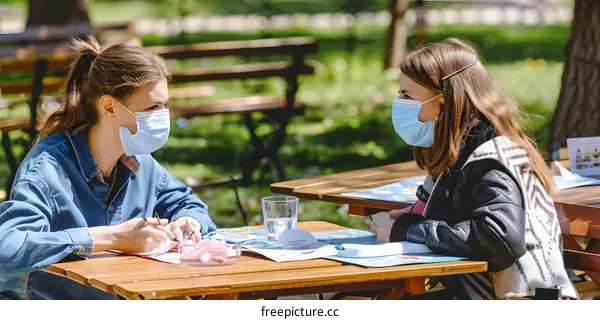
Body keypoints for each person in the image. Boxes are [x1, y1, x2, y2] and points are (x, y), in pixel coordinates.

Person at [0, 36, 216, 300]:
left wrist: (187, 222)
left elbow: (188, 204)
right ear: (110, 106)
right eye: (152, 108)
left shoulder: (140, 160)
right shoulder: (47, 169)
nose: (162, 116)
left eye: (164, 106)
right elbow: (7, 249)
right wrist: (111, 238)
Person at [371, 38, 577, 300]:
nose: (399, 103)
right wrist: (411, 216)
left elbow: (499, 238)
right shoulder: (463, 149)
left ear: (444, 102)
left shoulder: (491, 157)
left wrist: (406, 230)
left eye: (407, 95)